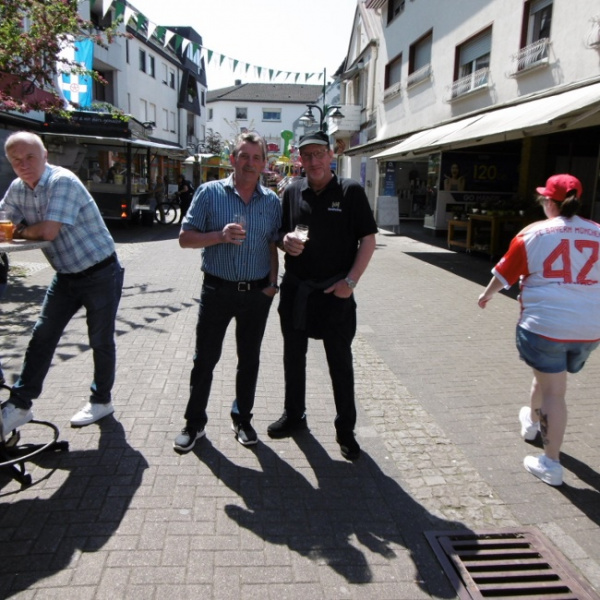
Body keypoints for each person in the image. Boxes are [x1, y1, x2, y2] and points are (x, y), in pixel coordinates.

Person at [478, 174, 600, 486]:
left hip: (545, 327)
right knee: (547, 377)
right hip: (589, 329)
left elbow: (503, 275)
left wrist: (486, 295)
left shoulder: (532, 234)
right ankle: (531, 422)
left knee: (554, 392)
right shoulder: (598, 232)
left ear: (548, 201)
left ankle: (551, 463)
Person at [0, 131, 124, 436]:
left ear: (45, 156)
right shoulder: (18, 188)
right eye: (16, 160)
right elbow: (3, 223)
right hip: (66, 275)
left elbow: (48, 232)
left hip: (100, 272)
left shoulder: (62, 181)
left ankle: (101, 401)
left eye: (30, 157)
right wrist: (20, 229)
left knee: (100, 340)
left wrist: (20, 230)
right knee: (42, 335)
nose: (23, 164)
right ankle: (20, 405)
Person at [267, 131, 377, 461]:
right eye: (307, 155)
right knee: (293, 358)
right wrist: (284, 241)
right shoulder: (292, 191)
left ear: (330, 155)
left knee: (340, 364)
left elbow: (368, 240)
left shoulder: (350, 191)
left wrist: (351, 282)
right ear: (300, 159)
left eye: (319, 154)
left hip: (335, 293)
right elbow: (279, 233)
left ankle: (346, 430)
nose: (313, 161)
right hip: (297, 290)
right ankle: (294, 415)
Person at [173, 131, 281, 452]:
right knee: (205, 359)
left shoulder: (271, 202)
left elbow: (272, 245)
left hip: (256, 294)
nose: (249, 163)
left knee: (249, 360)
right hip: (217, 290)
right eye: (244, 156)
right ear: (232, 159)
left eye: (256, 157)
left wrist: (273, 284)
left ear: (263, 164)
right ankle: (194, 423)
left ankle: (242, 419)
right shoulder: (209, 193)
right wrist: (219, 236)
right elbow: (184, 238)